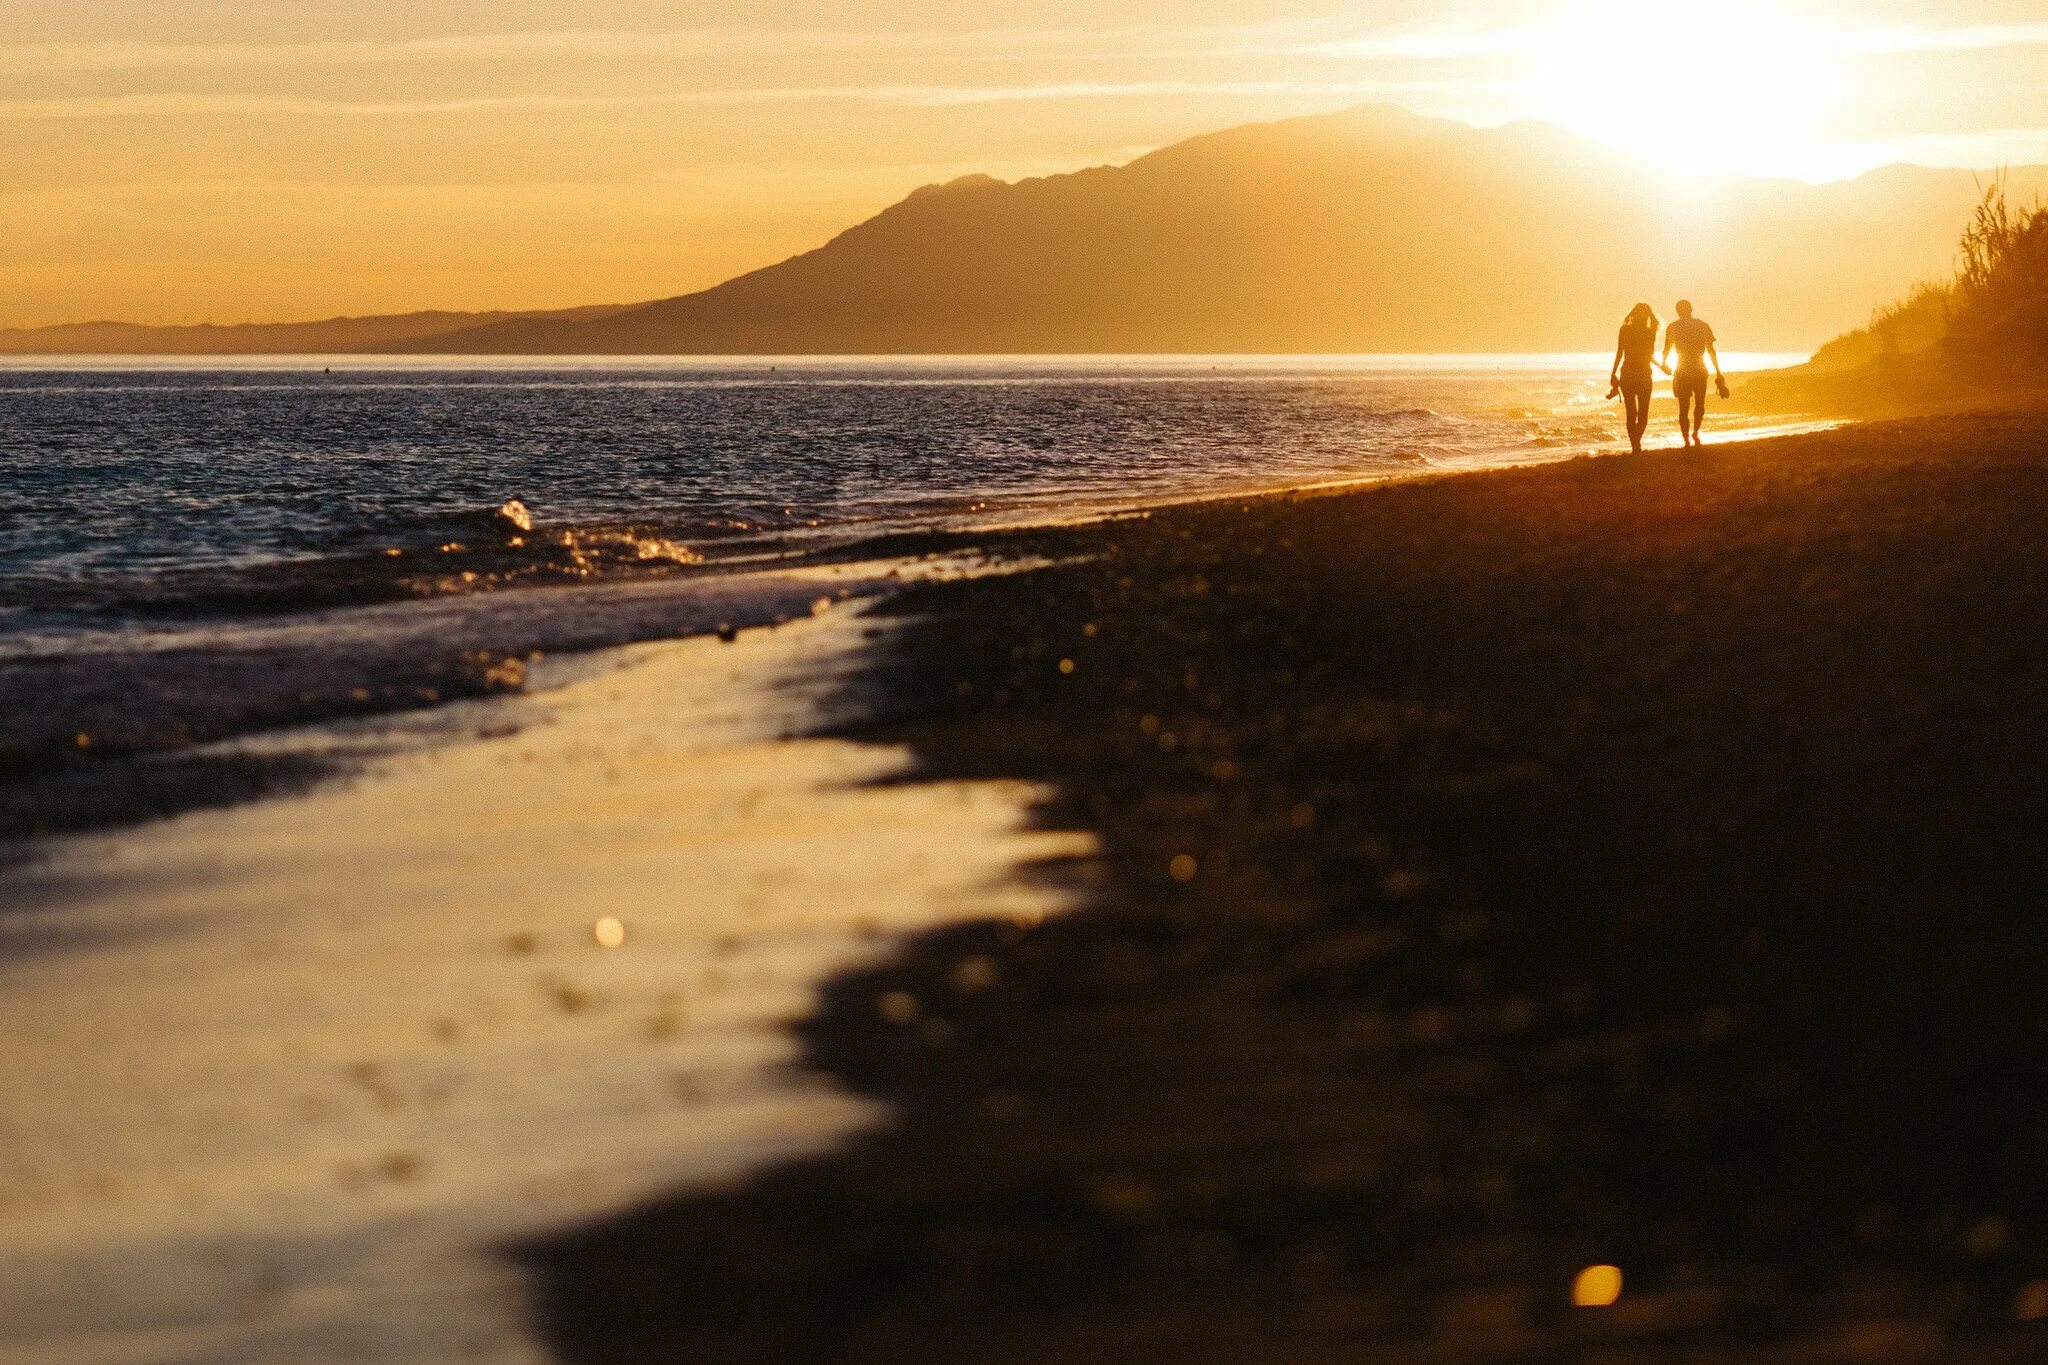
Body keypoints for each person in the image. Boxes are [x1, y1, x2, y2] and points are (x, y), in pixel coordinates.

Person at [1662, 300, 1726, 448]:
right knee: (1699, 405)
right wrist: (1718, 372)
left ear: (1678, 311)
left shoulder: (1673, 327)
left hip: (1682, 371)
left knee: (1683, 408)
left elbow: (1666, 349)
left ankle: (1686, 440)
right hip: (1699, 370)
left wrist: (1664, 364)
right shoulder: (1702, 325)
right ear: (1691, 310)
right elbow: (1711, 351)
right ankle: (1695, 432)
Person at [1608, 303, 1667, 454]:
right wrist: (1662, 367)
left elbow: (1619, 353)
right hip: (1643, 375)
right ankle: (1636, 444)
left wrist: (1613, 373)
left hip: (1627, 374)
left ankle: (1635, 446)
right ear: (1647, 317)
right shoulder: (1649, 332)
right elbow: (1649, 355)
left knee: (1631, 412)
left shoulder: (1625, 330)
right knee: (1643, 413)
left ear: (1633, 315)